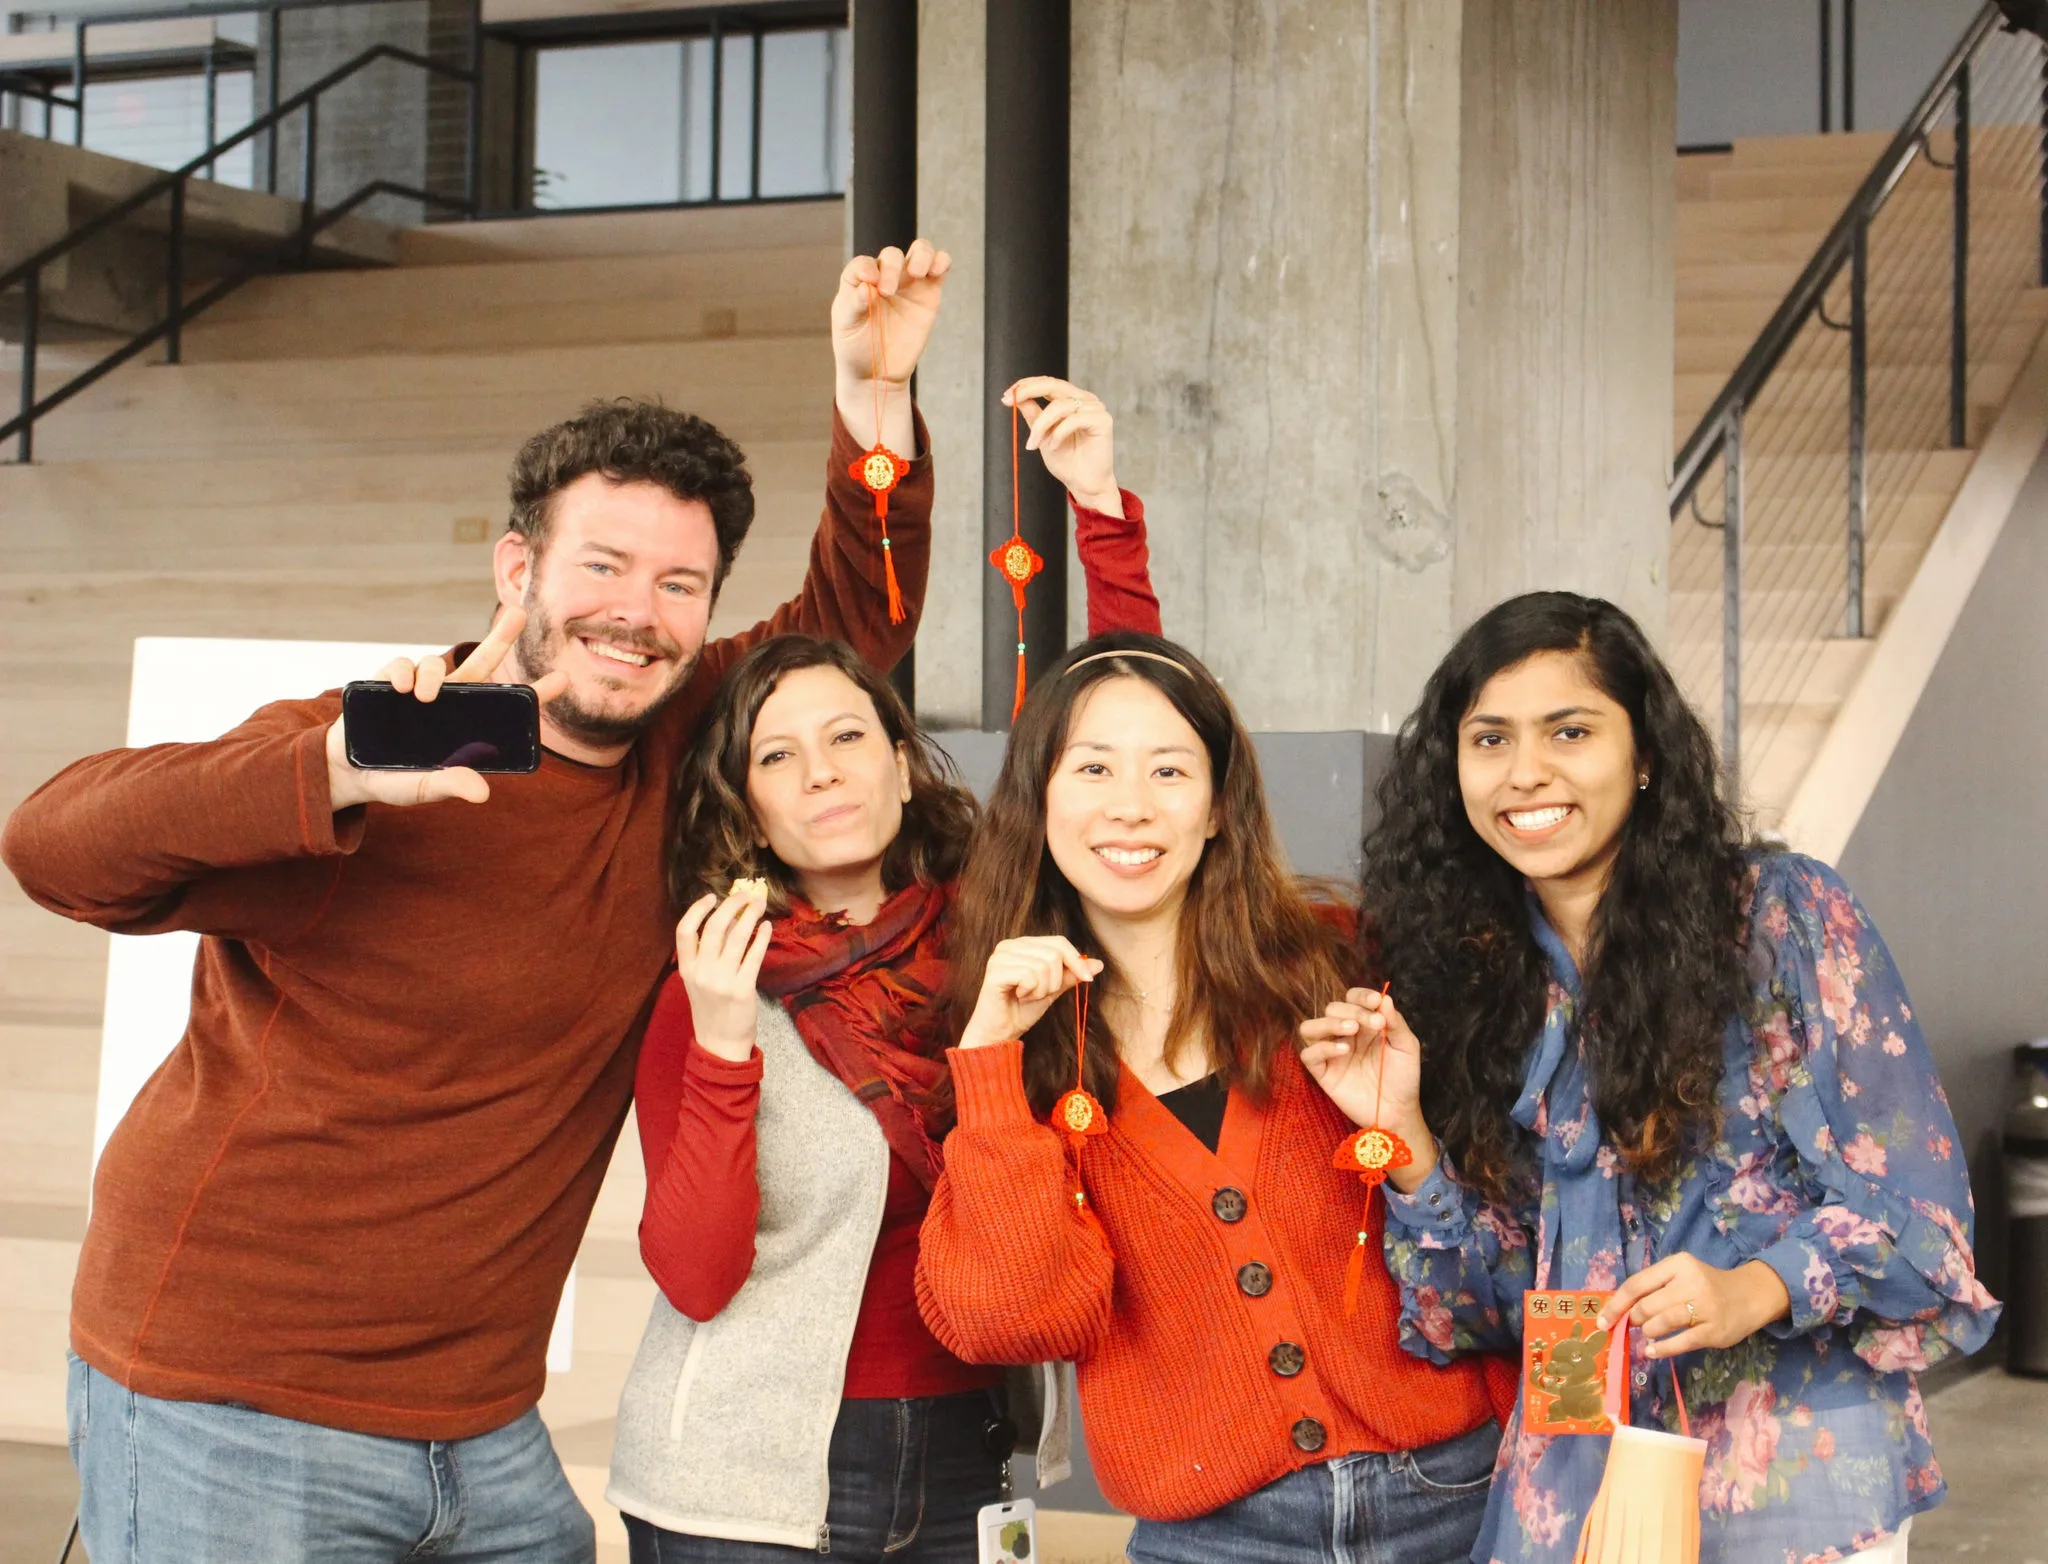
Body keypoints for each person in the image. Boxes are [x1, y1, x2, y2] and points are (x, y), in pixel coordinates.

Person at [0, 240, 952, 1564]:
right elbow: (54, 846)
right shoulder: (400, 742)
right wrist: (336, 764)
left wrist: (873, 401)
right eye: (602, 567)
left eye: (679, 585)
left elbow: (856, 613)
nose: (639, 614)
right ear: (518, 571)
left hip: (484, 1426)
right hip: (235, 1401)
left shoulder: (682, 739)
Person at [1301, 590, 1998, 1564]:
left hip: (1789, 1479)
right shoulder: (1463, 978)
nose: (1525, 772)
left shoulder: (1780, 919)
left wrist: (1752, 1286)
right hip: (1580, 1489)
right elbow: (1490, 1307)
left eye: (1568, 730)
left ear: (1643, 757)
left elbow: (1924, 1222)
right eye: (1488, 739)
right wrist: (1406, 1138)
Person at [605, 378, 1158, 1562]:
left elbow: (1137, 736)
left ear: (904, 765)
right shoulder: (719, 984)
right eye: (778, 755)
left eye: (849, 735)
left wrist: (1100, 513)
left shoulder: (992, 935)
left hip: (971, 1450)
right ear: (746, 810)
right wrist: (717, 1046)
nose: (822, 772)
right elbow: (697, 1277)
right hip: (740, 1488)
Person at [915, 631, 1515, 1564]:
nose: (1131, 808)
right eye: (1093, 769)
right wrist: (987, 1062)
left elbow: (1503, 1247)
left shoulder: (1341, 968)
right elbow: (1018, 1321)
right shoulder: (1023, 1061)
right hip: (1215, 1538)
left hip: (1453, 1495)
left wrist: (1404, 1140)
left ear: (1218, 810)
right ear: (1037, 802)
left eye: (1168, 770)